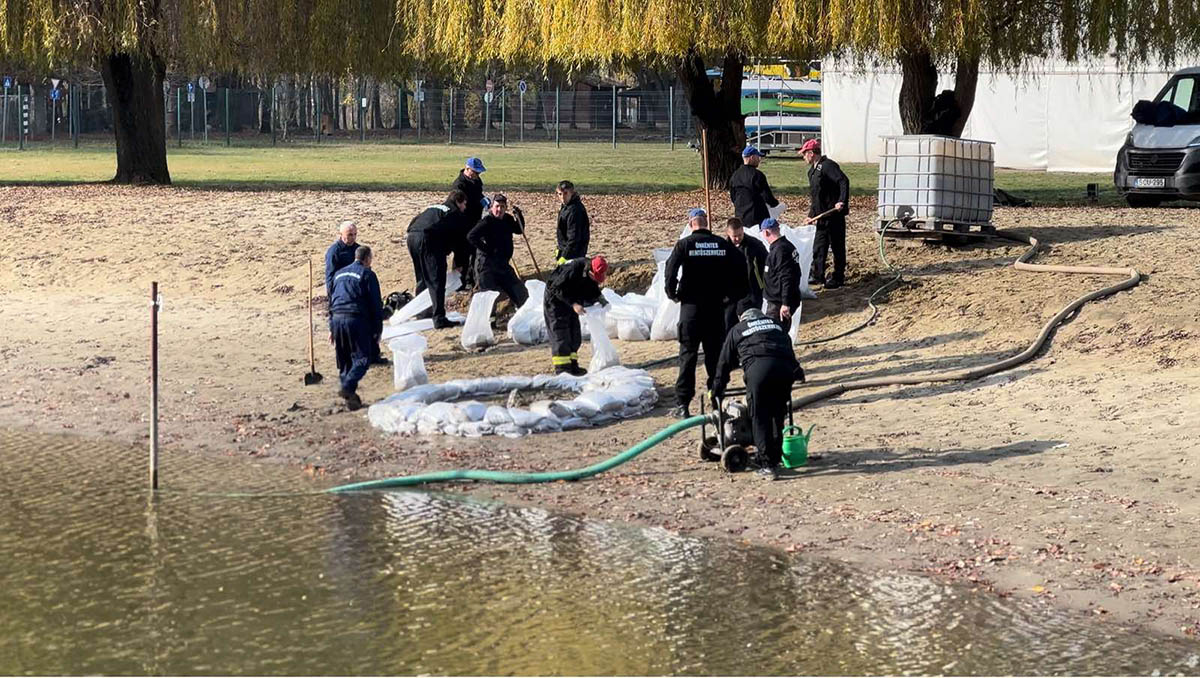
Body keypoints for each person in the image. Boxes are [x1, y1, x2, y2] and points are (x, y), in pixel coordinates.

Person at [664, 208, 747, 418]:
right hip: (715, 309)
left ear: (691, 224)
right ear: (706, 223)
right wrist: (732, 296)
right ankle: (716, 399)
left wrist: (672, 293)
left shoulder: (684, 244)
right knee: (715, 357)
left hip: (691, 309)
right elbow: (741, 267)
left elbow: (670, 270)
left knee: (688, 356)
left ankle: (683, 404)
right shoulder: (722, 245)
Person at [712, 298, 806, 480]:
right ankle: (775, 458)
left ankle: (767, 465)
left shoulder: (738, 329)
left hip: (759, 371)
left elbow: (724, 364)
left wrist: (716, 390)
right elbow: (788, 349)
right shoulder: (776, 325)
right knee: (777, 415)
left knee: (760, 417)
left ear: (740, 316)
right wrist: (798, 372)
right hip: (784, 371)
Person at [328, 246, 384, 410]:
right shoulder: (367, 274)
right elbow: (376, 304)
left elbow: (331, 300)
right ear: (367, 259)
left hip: (337, 318)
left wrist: (331, 327)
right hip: (356, 319)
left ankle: (350, 398)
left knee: (344, 360)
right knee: (362, 359)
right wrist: (377, 330)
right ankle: (347, 386)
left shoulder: (339, 274)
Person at [407, 190, 470, 329]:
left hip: (412, 237)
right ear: (458, 202)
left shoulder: (434, 208)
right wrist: (459, 264)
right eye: (464, 204)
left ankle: (422, 313)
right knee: (437, 280)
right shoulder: (454, 213)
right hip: (429, 240)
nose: (465, 208)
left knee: (422, 278)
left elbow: (414, 221)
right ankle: (439, 318)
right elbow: (461, 242)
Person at [544, 255, 608, 376]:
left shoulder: (588, 272)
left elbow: (591, 286)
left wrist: (599, 298)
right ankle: (562, 369)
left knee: (574, 333)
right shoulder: (573, 269)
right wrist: (573, 304)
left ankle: (573, 366)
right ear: (590, 271)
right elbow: (557, 288)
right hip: (556, 301)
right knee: (561, 333)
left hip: (572, 299)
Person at [800, 139, 850, 289]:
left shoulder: (828, 166)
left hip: (834, 215)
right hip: (821, 217)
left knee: (837, 247)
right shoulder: (812, 172)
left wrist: (841, 201)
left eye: (804, 154)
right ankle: (817, 275)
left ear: (811, 153)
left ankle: (838, 277)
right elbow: (816, 197)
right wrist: (811, 215)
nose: (803, 157)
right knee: (819, 247)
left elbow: (843, 181)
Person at [467, 193, 529, 309]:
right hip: (486, 265)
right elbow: (471, 236)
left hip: (503, 263)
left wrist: (519, 216)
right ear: (492, 207)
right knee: (488, 298)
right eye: (497, 206)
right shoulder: (486, 221)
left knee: (520, 293)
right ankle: (491, 318)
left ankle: (522, 311)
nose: (499, 209)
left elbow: (519, 230)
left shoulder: (507, 219)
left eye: (502, 207)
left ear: (505, 208)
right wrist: (487, 249)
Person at [723, 217, 768, 330]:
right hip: (730, 295)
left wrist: (764, 286)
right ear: (727, 233)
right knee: (728, 325)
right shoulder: (722, 248)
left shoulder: (755, 245)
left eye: (740, 235)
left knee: (751, 325)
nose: (738, 238)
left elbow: (767, 264)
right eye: (734, 236)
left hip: (751, 292)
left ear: (743, 230)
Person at [451, 157, 487, 288]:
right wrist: (477, 203)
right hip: (462, 223)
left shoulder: (477, 181)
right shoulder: (459, 185)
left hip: (475, 221)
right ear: (467, 169)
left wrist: (484, 200)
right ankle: (458, 283)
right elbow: (459, 205)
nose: (477, 175)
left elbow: (479, 194)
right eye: (475, 172)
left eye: (479, 173)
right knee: (462, 253)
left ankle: (471, 279)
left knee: (474, 250)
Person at [761, 217, 801, 327]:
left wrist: (785, 303)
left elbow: (787, 277)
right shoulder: (787, 245)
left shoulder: (780, 251)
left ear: (766, 232)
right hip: (784, 299)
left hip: (778, 303)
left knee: (774, 332)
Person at [728, 146, 779, 229]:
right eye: (758, 157)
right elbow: (767, 196)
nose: (759, 160)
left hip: (740, 216)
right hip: (757, 217)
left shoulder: (735, 176)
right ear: (752, 157)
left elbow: (733, 197)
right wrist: (776, 204)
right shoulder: (757, 175)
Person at [555, 180, 591, 264]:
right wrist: (560, 248)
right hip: (565, 248)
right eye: (560, 194)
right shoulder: (565, 206)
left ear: (572, 193)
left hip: (575, 252)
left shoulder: (575, 210)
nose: (563, 197)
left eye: (565, 193)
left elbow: (574, 237)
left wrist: (565, 256)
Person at [324, 221, 358, 298]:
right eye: (350, 235)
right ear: (341, 234)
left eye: (355, 234)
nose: (353, 237)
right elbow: (330, 276)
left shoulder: (358, 250)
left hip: (356, 291)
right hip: (341, 292)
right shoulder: (334, 252)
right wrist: (332, 298)